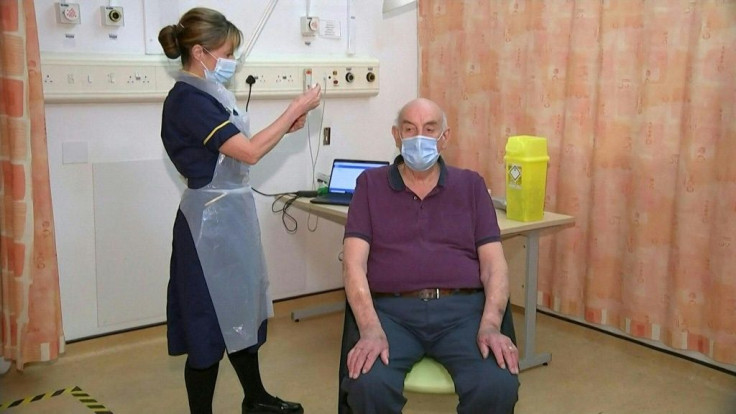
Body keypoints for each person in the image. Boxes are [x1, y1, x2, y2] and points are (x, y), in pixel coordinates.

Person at [158, 8, 321, 414]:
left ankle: (256, 397)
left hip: (229, 219)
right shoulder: (187, 100)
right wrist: (291, 110)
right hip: (206, 229)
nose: (232, 61)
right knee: (206, 325)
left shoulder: (210, 94)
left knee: (241, 310)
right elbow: (246, 151)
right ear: (199, 52)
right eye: (227, 52)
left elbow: (238, 153)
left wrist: (285, 126)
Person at [340, 98, 520, 413]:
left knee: (497, 383)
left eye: (429, 129)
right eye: (409, 129)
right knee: (367, 383)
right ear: (396, 136)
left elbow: (494, 266)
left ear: (445, 137)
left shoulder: (471, 186)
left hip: (462, 312)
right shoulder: (370, 185)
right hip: (392, 313)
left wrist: (491, 323)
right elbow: (353, 264)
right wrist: (369, 327)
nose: (419, 137)